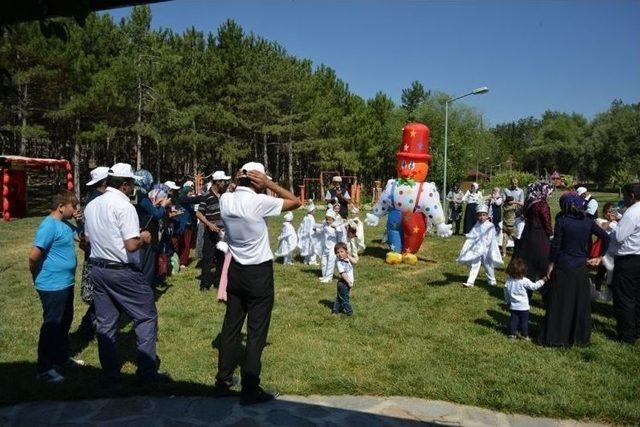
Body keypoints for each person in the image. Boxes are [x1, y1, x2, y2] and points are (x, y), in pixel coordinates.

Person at [214, 162, 300, 405]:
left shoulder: (225, 200)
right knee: (256, 331)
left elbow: (230, 189)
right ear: (257, 181)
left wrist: (245, 180)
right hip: (259, 271)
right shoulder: (259, 202)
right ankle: (251, 388)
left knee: (230, 327)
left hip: (236, 268)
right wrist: (270, 184)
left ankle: (223, 380)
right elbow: (295, 201)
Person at [84, 163, 167, 386]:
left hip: (98, 268)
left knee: (106, 322)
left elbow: (88, 240)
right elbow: (131, 245)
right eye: (131, 184)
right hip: (122, 270)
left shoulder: (92, 205)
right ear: (124, 184)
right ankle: (147, 373)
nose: (133, 188)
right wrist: (145, 238)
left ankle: (110, 373)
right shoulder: (124, 206)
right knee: (146, 315)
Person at [538, 192, 609, 347]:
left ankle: (557, 336)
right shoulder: (588, 221)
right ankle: (579, 337)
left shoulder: (562, 221)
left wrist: (550, 264)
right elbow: (606, 237)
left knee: (560, 301)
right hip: (580, 266)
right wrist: (600, 256)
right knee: (578, 301)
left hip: (563, 264)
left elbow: (556, 246)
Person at [29, 191, 83, 383]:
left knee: (65, 322)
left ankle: (60, 358)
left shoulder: (65, 225)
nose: (76, 210)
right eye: (73, 206)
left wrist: (80, 221)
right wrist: (34, 275)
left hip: (66, 282)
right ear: (61, 206)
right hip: (52, 285)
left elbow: (85, 240)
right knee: (52, 325)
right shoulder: (49, 226)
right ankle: (44, 369)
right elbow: (33, 256)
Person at [76, 166, 109, 338]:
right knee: (99, 295)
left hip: (93, 252)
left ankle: (90, 327)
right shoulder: (99, 201)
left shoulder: (91, 200)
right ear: (105, 182)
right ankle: (89, 327)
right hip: (98, 255)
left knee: (98, 295)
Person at [611, 183, 640, 344]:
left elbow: (620, 236)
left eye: (625, 196)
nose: (623, 199)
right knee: (637, 296)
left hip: (628, 259)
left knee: (625, 297)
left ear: (632, 196)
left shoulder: (631, 213)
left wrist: (616, 224)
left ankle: (626, 334)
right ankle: (636, 328)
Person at [133, 169, 172, 287]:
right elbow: (156, 214)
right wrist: (163, 206)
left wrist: (154, 206)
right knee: (147, 265)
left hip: (134, 232)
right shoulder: (142, 196)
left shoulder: (132, 195)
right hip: (146, 234)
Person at [197, 171, 230, 291]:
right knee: (208, 259)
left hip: (223, 233)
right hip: (211, 233)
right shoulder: (206, 196)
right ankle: (204, 285)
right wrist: (209, 224)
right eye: (223, 181)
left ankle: (218, 282)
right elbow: (199, 213)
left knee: (221, 258)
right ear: (217, 182)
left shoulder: (225, 195)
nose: (225, 184)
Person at [515, 182, 553, 285]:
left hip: (527, 233)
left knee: (527, 261)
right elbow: (546, 221)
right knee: (543, 261)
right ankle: (545, 287)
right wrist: (551, 234)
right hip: (540, 234)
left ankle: (526, 287)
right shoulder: (542, 205)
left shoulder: (530, 201)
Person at [458, 203, 503, 287]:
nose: (481, 217)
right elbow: (474, 234)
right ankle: (470, 282)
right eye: (479, 215)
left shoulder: (490, 225)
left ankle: (492, 280)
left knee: (488, 265)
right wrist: (469, 236)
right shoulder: (477, 224)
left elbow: (490, 238)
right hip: (477, 249)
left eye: (484, 215)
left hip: (486, 249)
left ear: (487, 216)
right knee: (475, 264)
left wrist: (484, 246)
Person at [503, 258, 547, 340]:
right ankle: (525, 335)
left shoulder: (508, 281)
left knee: (513, 321)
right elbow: (534, 286)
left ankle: (512, 335)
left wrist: (508, 302)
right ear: (523, 272)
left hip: (513, 306)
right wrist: (543, 281)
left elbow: (506, 293)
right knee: (524, 322)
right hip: (524, 307)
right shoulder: (524, 281)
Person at [319, 209, 346, 283]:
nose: (328, 221)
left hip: (333, 248)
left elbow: (340, 234)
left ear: (333, 220)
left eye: (330, 220)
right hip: (325, 247)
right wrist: (316, 229)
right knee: (324, 262)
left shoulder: (336, 227)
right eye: (327, 219)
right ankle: (324, 275)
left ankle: (329, 277)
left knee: (331, 262)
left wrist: (337, 227)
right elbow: (321, 230)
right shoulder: (325, 225)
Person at [331, 242, 357, 316]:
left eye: (342, 251)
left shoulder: (347, 259)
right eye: (337, 252)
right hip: (343, 283)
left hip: (346, 283)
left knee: (339, 298)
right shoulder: (339, 263)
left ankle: (335, 311)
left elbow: (355, 262)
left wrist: (348, 256)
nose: (339, 254)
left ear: (346, 251)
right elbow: (343, 274)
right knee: (345, 299)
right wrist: (349, 282)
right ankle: (350, 312)